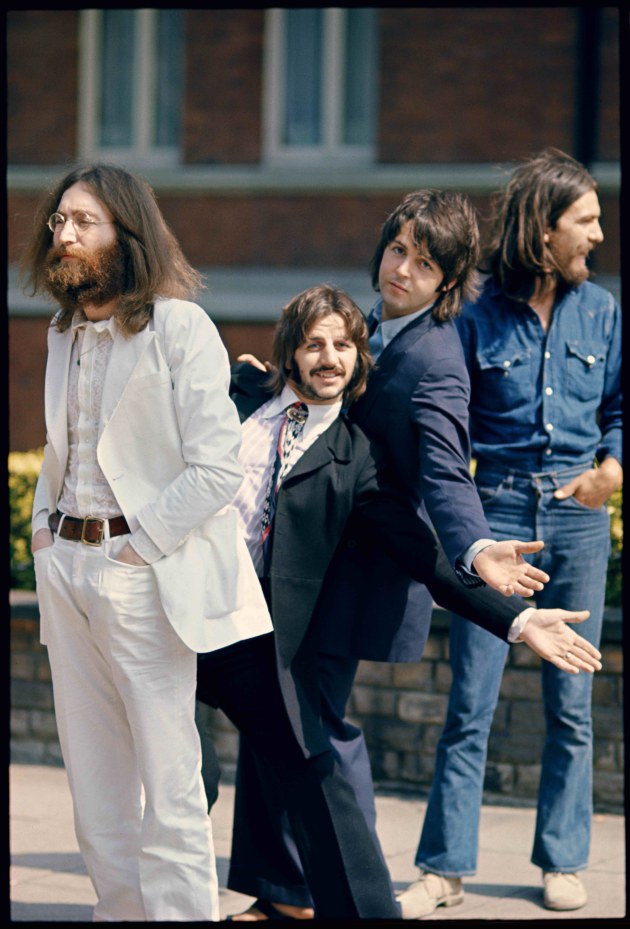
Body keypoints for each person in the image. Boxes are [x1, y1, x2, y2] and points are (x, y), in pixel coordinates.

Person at [203, 280, 602, 921]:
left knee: (314, 767)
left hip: (264, 636)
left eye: (342, 345)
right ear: (288, 352)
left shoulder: (359, 460)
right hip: (184, 618)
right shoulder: (238, 397)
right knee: (188, 772)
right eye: (313, 344)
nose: (329, 357)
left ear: (361, 359)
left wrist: (519, 618)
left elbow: (427, 556)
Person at [20, 164, 275, 920]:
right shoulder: (61, 332)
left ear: (125, 234)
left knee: (168, 780)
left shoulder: (179, 326)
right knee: (94, 779)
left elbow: (217, 463)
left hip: (141, 570)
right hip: (65, 568)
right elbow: (63, 451)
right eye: (59, 220)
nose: (62, 233)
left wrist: (139, 546)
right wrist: (44, 535)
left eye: (82, 222)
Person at [399, 149, 622, 916]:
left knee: (572, 701)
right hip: (494, 518)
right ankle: (444, 867)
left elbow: (621, 410)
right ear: (544, 226)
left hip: (579, 519)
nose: (598, 233)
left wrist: (612, 470)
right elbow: (443, 423)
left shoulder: (605, 309)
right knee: (471, 701)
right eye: (585, 220)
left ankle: (562, 860)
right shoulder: (474, 312)